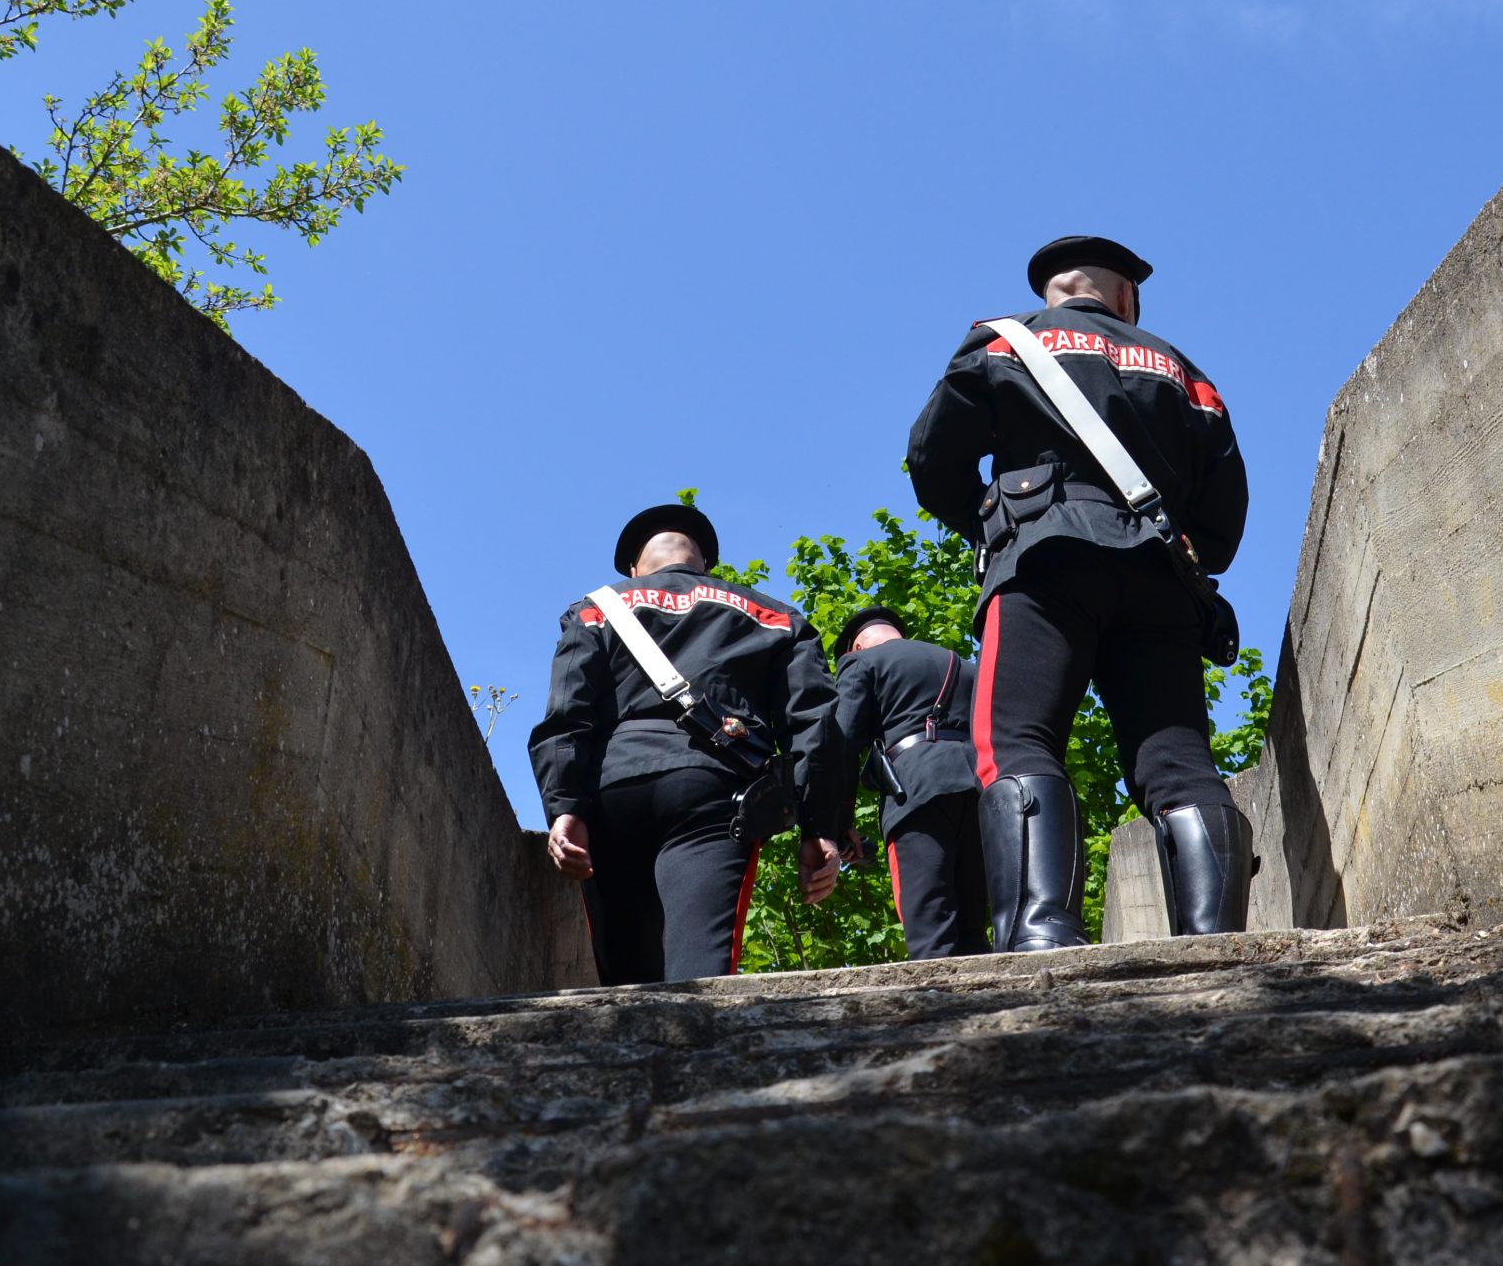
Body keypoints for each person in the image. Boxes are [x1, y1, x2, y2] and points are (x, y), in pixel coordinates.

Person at [906, 234, 1254, 949]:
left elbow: (933, 456)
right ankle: (1215, 944)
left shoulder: (1004, 341)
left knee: (1017, 739)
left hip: (1043, 560)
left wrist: (991, 526)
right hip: (1161, 575)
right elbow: (1224, 509)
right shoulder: (1183, 369)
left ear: (1053, 291)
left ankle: (1040, 936)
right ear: (1126, 296)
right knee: (1179, 764)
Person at [529, 502, 834, 984]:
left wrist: (565, 808)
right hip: (712, 791)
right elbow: (814, 724)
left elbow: (568, 713)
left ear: (634, 567)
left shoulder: (595, 609)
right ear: (706, 565)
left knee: (627, 977)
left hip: (615, 788)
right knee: (701, 969)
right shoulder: (774, 617)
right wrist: (820, 825)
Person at [793, 606, 990, 959]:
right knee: (972, 926)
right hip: (981, 790)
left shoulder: (862, 663)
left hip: (916, 791)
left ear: (856, 648)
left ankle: (941, 1009)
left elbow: (843, 744)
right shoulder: (963, 665)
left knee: (928, 922)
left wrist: (837, 825)